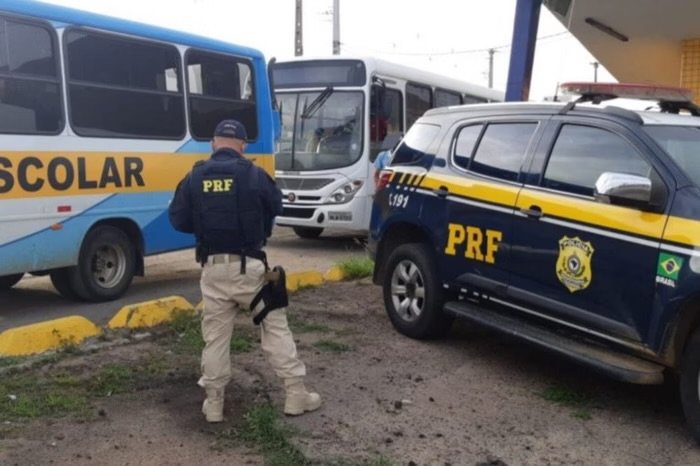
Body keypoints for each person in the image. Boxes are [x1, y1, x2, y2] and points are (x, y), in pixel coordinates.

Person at [168, 119, 322, 423]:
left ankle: (214, 404)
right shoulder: (254, 174)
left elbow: (178, 220)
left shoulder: (195, 176)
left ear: (213, 143)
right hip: (251, 268)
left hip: (213, 269)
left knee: (215, 338)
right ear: (243, 145)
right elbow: (276, 206)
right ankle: (295, 394)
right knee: (274, 326)